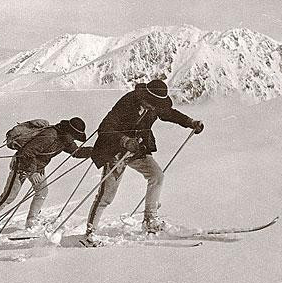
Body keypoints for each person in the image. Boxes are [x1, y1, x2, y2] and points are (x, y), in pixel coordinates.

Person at [86, 79, 204, 238]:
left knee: (157, 176)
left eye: (156, 105)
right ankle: (89, 233)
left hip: (137, 149)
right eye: (151, 104)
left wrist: (190, 122)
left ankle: (150, 220)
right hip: (115, 150)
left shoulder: (156, 105)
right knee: (106, 196)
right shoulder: (127, 102)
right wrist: (124, 141)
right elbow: (105, 127)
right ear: (144, 97)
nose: (153, 108)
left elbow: (169, 113)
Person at [0, 117, 93, 232]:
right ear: (68, 131)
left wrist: (97, 151)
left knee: (42, 192)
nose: (74, 139)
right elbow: (27, 151)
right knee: (9, 196)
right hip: (21, 166)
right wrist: (32, 170)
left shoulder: (65, 140)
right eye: (74, 136)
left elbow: (77, 152)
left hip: (37, 168)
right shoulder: (50, 136)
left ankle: (31, 222)